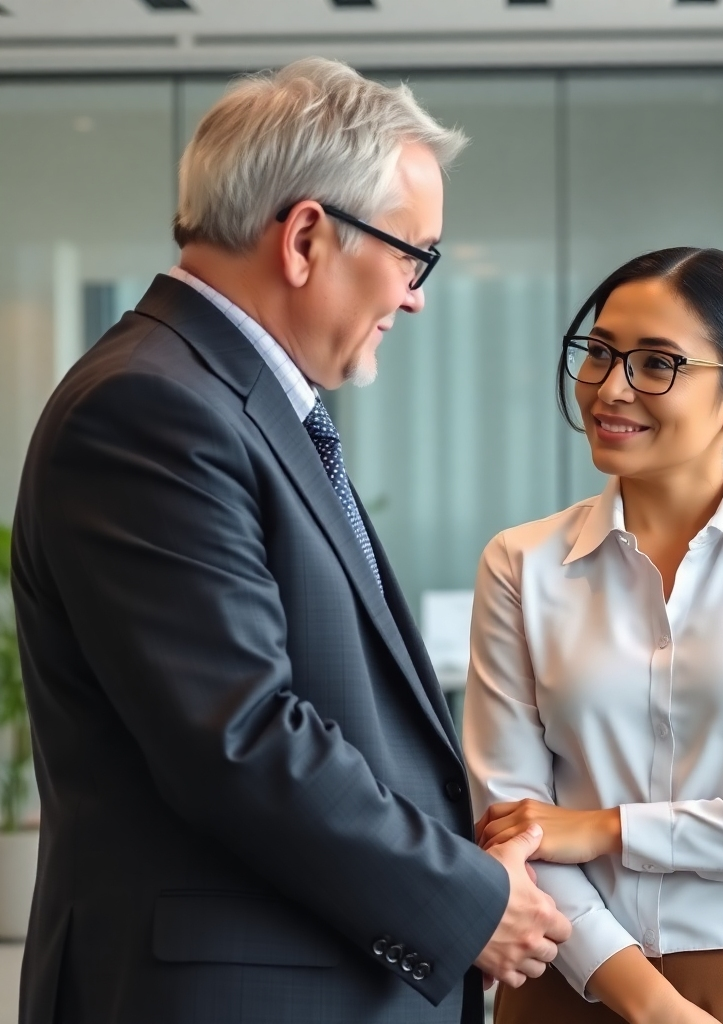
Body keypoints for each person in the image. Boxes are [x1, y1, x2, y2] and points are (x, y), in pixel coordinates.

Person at [11, 58, 569, 1024]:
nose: (416, 296)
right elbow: (241, 737)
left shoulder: (223, 399)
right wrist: (466, 903)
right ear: (307, 236)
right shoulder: (152, 409)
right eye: (415, 256)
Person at [464, 248, 723, 1024]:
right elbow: (516, 827)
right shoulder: (520, 564)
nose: (610, 386)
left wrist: (602, 828)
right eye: (600, 352)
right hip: (575, 980)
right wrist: (654, 1003)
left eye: (657, 363)